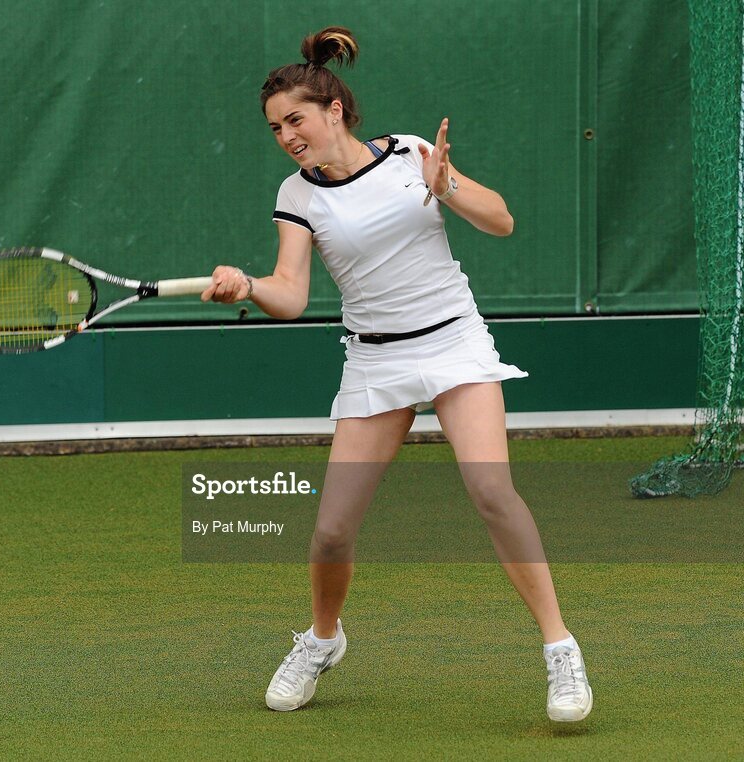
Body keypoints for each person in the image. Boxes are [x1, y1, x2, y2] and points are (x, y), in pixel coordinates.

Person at [201, 27, 593, 721]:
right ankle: (323, 640)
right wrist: (250, 286)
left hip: (453, 343)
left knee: (492, 490)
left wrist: (449, 187)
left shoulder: (411, 153)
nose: (286, 136)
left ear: (334, 110)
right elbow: (290, 294)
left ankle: (561, 650)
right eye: (274, 128)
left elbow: (502, 220)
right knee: (331, 532)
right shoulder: (297, 195)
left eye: (294, 120)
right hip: (376, 358)